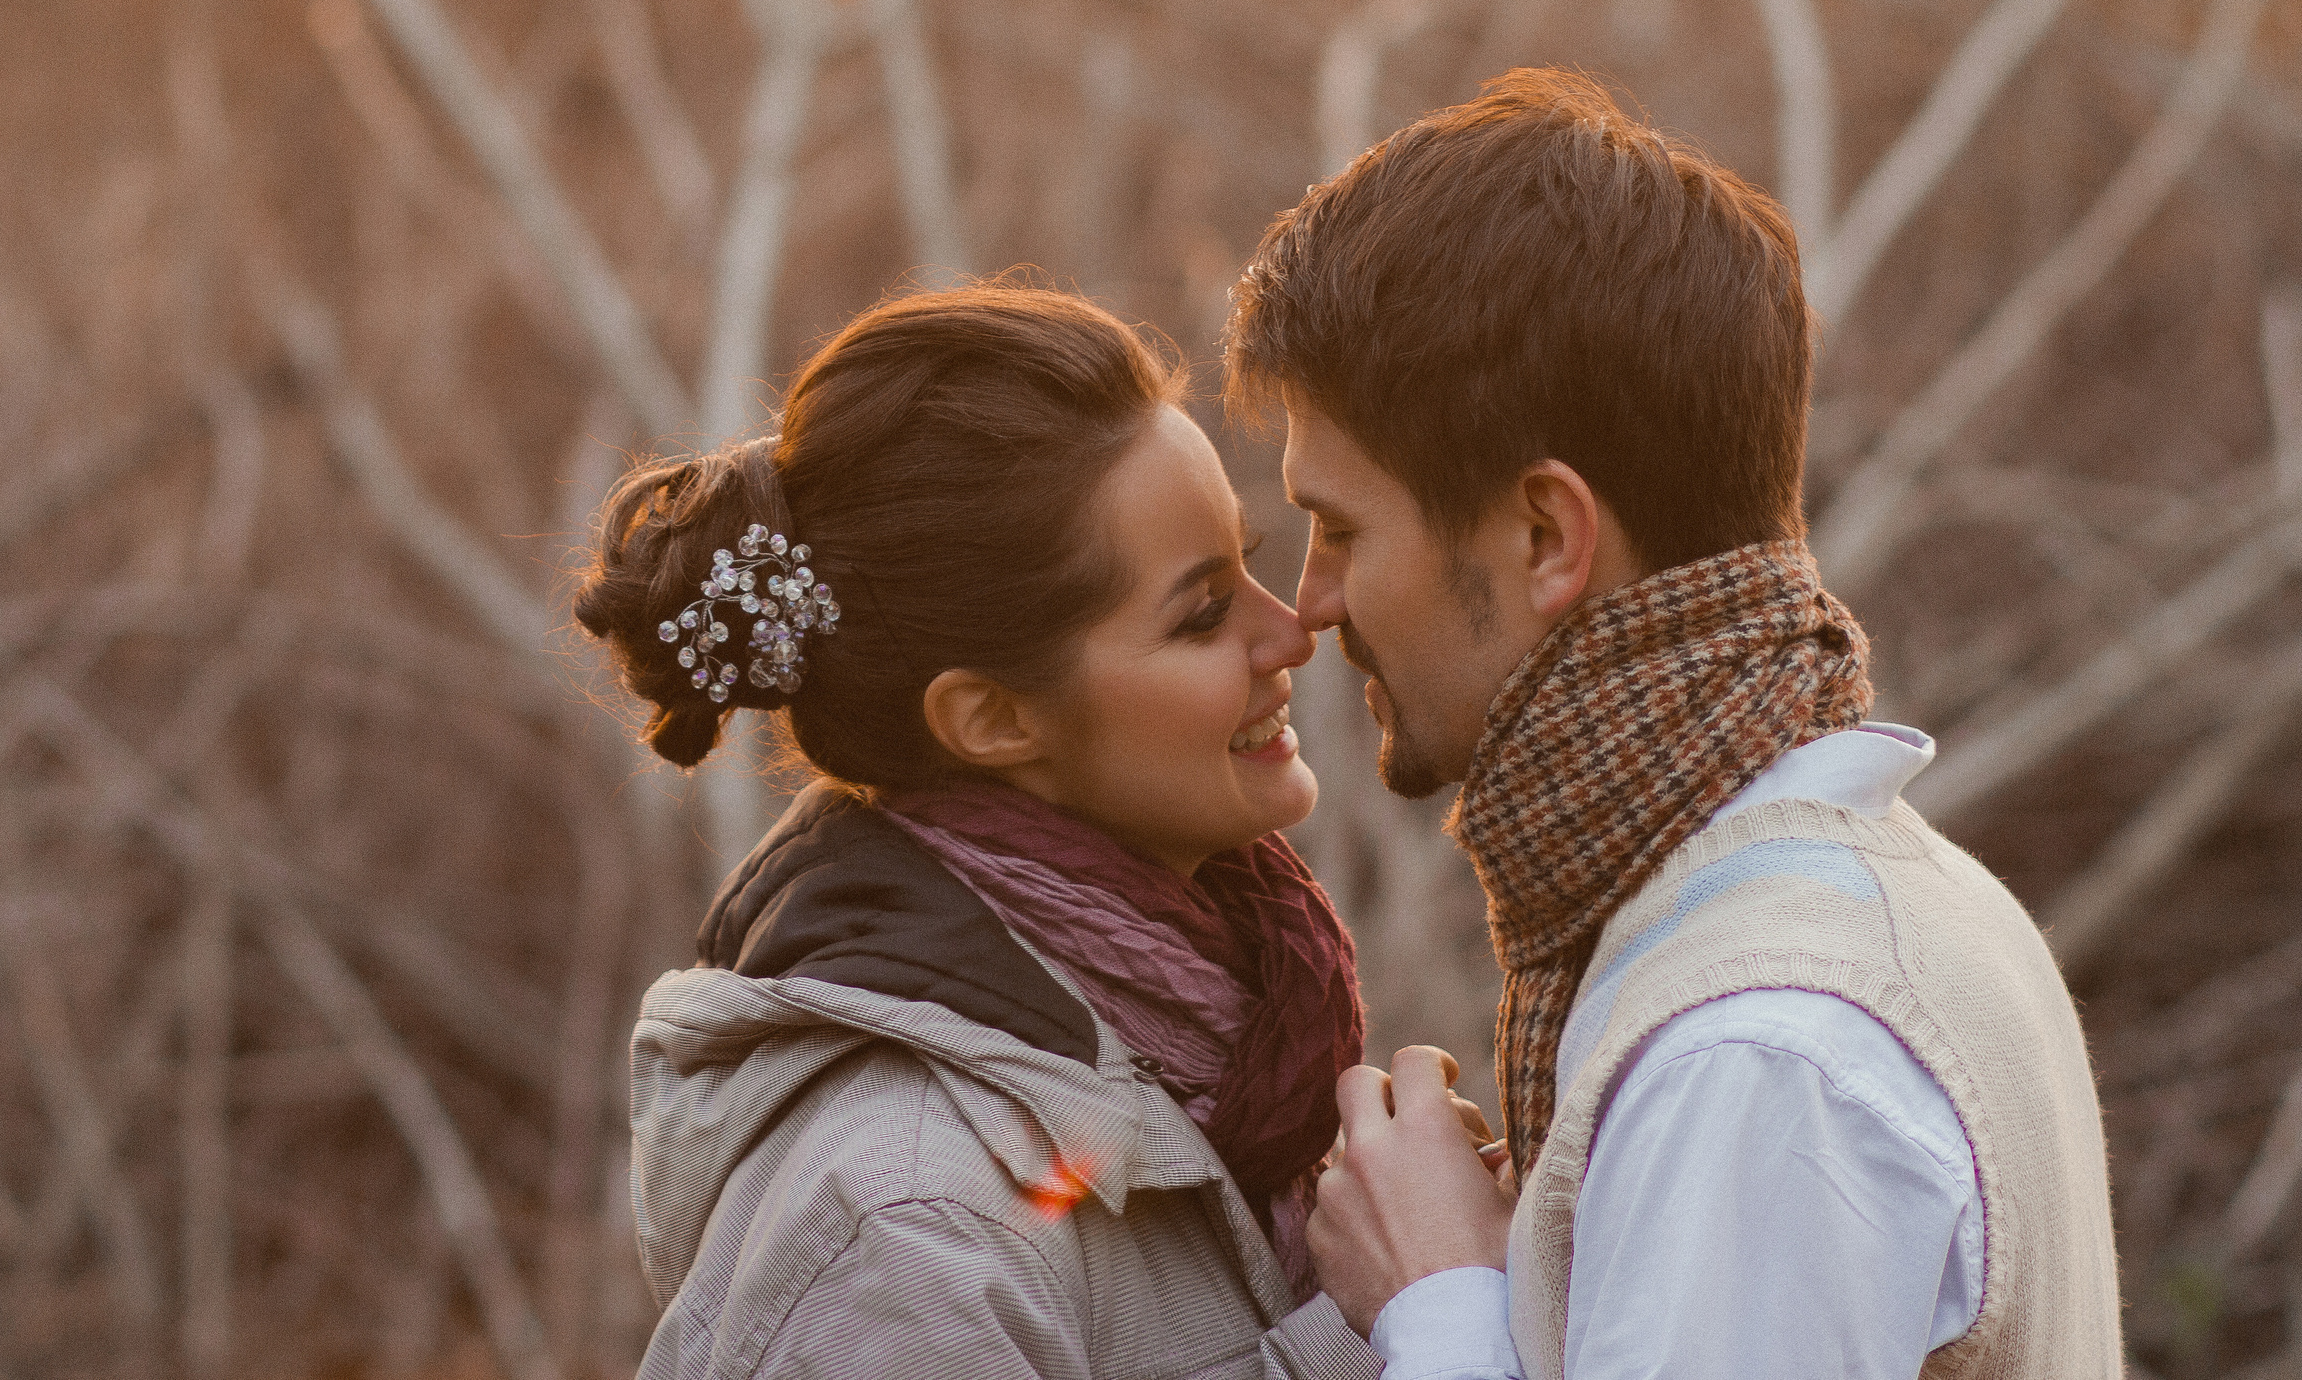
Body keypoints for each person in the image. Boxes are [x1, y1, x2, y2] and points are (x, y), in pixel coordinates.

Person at [1224, 70, 2122, 1378]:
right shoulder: (1881, 902)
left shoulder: (1756, 1059)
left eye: (1342, 528)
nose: (1309, 605)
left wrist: (1444, 1300)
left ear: (1545, 535)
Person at [576, 284, 1382, 1379]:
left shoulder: (1222, 1038)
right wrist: (1385, 1328)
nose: (1287, 631)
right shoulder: (903, 1226)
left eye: (1249, 561)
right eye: (1200, 614)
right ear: (993, 720)